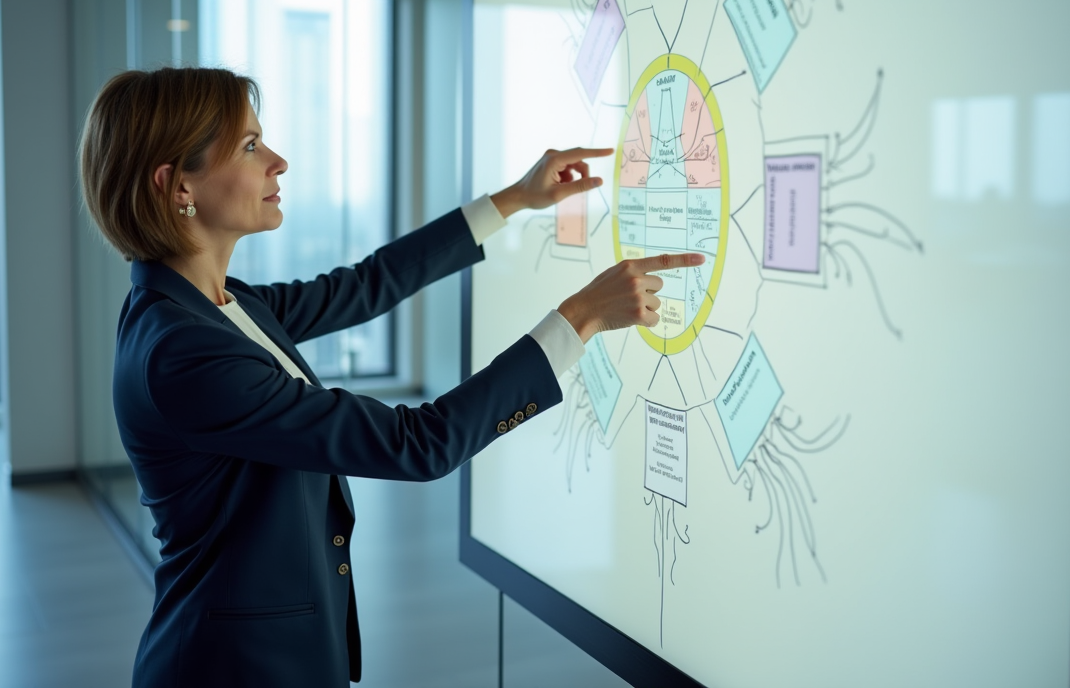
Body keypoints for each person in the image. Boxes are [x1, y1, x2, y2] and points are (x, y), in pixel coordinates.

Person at [78, 66, 705, 687]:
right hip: (233, 667)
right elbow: (417, 444)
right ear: (174, 185)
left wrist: (513, 200)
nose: (278, 162)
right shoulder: (183, 351)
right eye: (249, 146)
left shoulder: (219, 302)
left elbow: (364, 285)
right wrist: (581, 317)